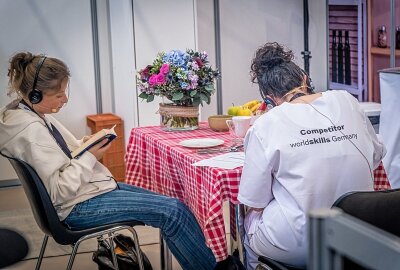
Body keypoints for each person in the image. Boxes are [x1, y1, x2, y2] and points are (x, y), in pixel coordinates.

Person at [0, 52, 244, 270]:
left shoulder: (28, 113)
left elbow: (59, 157)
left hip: (87, 192)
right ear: (35, 93)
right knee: (174, 212)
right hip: (76, 206)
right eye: (59, 94)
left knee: (175, 205)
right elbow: (61, 190)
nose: (64, 99)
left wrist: (84, 147)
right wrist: (91, 156)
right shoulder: (32, 131)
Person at [238, 42, 386, 269]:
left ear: (268, 99)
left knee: (247, 220)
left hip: (299, 245)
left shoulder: (263, 125)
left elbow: (255, 201)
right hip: (359, 237)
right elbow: (375, 158)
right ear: (305, 79)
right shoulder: (347, 100)